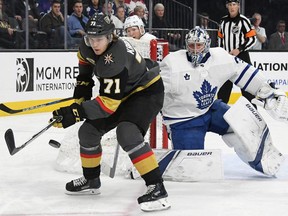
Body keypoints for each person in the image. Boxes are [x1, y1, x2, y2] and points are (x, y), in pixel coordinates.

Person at [49, 13, 170, 212]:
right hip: (121, 93)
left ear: (110, 36)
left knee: (127, 132)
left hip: (146, 91)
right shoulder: (86, 47)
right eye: (90, 38)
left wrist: (75, 112)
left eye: (99, 39)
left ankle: (157, 187)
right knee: (87, 132)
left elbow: (107, 106)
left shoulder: (115, 58)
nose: (94, 44)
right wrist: (79, 99)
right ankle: (91, 180)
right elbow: (85, 75)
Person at [160, 26, 286, 177]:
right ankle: (150, 165)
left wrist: (268, 91)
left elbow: (243, 71)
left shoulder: (220, 57)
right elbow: (153, 94)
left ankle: (261, 159)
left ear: (206, 45)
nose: (194, 50)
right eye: (191, 46)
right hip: (183, 120)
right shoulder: (172, 65)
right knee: (192, 167)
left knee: (245, 121)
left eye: (198, 45)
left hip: (209, 109)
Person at [217, 0, 256, 104]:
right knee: (224, 89)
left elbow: (252, 39)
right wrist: (222, 53)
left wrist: (239, 49)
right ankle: (219, 114)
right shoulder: (223, 21)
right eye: (230, 5)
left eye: (234, 4)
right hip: (227, 58)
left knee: (246, 89)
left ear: (238, 6)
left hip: (242, 57)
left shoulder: (244, 21)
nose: (232, 7)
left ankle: (252, 115)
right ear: (227, 6)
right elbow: (220, 39)